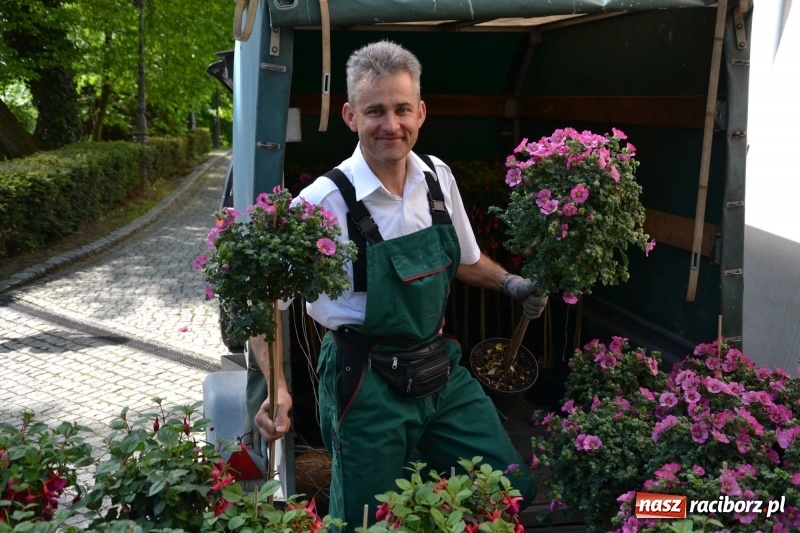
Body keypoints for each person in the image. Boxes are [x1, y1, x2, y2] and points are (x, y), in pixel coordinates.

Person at [251, 40, 548, 530]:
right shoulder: (321, 203)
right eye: (375, 111)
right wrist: (277, 386)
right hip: (364, 380)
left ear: (421, 111)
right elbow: (264, 303)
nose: (391, 124)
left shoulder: (437, 179)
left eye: (401, 109)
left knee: (510, 483)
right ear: (350, 115)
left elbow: (466, 260)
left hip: (438, 368)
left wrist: (510, 282)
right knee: (367, 519)